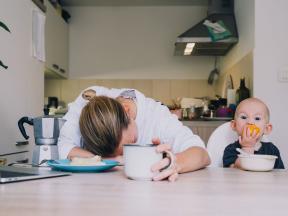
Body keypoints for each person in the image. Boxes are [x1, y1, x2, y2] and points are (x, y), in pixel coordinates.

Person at [58, 86, 210, 181]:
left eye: (128, 145)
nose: (123, 154)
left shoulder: (157, 116)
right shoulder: (86, 104)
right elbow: (64, 148)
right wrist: (115, 160)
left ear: (127, 111)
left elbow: (202, 154)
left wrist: (175, 163)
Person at [223, 97, 284, 169]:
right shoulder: (231, 150)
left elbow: (280, 175)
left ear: (267, 129)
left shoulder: (272, 150)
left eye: (257, 118)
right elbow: (234, 173)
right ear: (234, 125)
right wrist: (247, 147)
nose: (250, 122)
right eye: (243, 117)